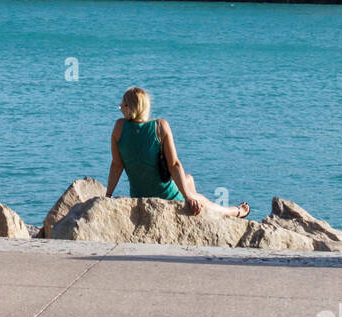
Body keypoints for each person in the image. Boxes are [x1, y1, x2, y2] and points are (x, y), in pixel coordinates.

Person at [106, 86, 249, 218]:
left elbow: (117, 165)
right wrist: (188, 197)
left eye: (122, 105)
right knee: (202, 200)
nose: (120, 108)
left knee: (189, 178)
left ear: (131, 107)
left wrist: (108, 196)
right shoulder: (160, 127)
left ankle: (190, 190)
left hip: (139, 195)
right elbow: (173, 164)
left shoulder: (119, 127)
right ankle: (235, 212)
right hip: (166, 196)